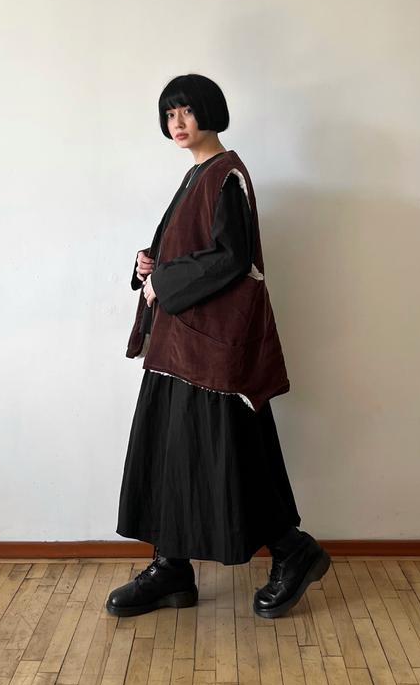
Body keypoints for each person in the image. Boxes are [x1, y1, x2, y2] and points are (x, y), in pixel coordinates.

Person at [106, 74, 330, 619]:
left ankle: (293, 550)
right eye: (169, 114)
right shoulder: (197, 176)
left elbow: (230, 257)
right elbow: (195, 250)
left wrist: (165, 282)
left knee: (229, 455)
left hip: (211, 353)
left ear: (210, 112)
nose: (177, 123)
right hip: (181, 348)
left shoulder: (225, 175)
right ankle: (172, 568)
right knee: (171, 454)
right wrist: (150, 265)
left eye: (185, 111)